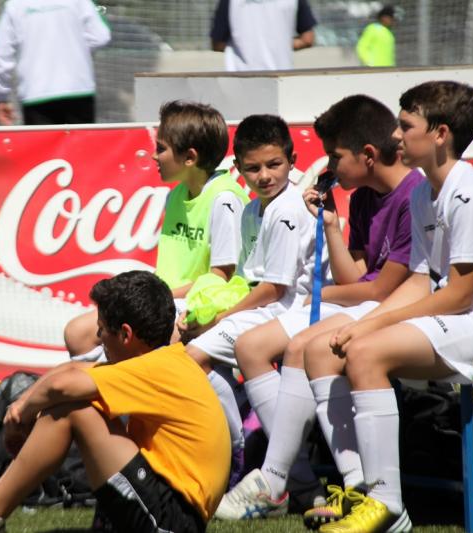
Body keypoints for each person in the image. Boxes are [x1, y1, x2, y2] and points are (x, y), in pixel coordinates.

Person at [304, 81, 473, 533]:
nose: (396, 137)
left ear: (440, 134)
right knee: (339, 347)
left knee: (366, 353)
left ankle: (387, 506)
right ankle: (369, 494)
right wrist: (365, 323)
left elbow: (460, 295)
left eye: (406, 126)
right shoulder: (422, 193)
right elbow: (419, 281)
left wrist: (374, 328)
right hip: (457, 315)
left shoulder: (468, 194)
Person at [215, 95, 424, 524]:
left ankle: (296, 481)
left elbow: (384, 289)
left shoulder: (412, 195)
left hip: (398, 310)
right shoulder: (365, 194)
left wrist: (324, 295)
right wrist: (330, 224)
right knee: (290, 347)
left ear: (367, 156)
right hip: (365, 303)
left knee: (306, 347)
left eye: (335, 156)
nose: (329, 165)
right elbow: (357, 277)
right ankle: (330, 484)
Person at [0, 270, 230, 533]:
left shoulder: (159, 368)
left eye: (102, 332)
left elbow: (63, 385)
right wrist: (27, 405)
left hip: (171, 520)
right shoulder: (164, 360)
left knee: (76, 410)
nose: (98, 340)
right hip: (165, 509)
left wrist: (21, 411)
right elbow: (74, 370)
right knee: (77, 401)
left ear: (127, 335)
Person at [180, 113, 325, 506]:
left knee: (194, 358)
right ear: (238, 168)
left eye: (273, 164)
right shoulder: (251, 211)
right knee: (190, 352)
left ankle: (246, 454)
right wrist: (203, 314)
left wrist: (221, 319)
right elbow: (248, 282)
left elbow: (274, 288)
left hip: (293, 310)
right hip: (264, 307)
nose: (264, 176)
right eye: (253, 168)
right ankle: (293, 477)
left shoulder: (287, 207)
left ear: (292, 160)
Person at [63, 100, 248, 358]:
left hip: (200, 306)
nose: (154, 155)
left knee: (132, 348)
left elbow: (222, 277)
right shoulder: (175, 196)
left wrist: (158, 298)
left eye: (161, 149)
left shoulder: (224, 199)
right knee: (77, 332)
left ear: (190, 157)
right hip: (167, 301)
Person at [0, 0, 111, 125]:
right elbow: (101, 36)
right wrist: (73, 48)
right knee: (80, 144)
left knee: (42, 144)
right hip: (79, 88)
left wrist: (2, 96)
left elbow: (1, 55)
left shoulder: (15, 4)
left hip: (35, 93)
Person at [210, 0, 317, 71]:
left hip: (241, 79)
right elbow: (307, 39)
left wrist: (248, 46)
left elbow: (218, 44)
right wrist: (279, 44)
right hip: (282, 76)